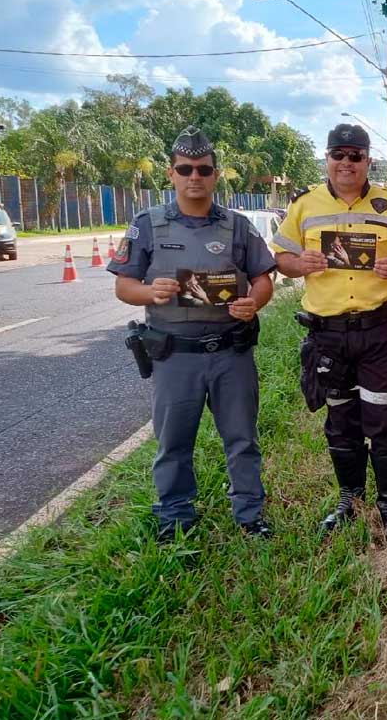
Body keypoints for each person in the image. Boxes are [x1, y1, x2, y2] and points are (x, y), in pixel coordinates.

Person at [110, 126, 275, 543]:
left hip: (230, 353)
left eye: (203, 169)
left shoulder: (237, 227)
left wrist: (253, 302)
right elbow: (123, 286)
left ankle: (250, 514)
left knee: (242, 439)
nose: (194, 177)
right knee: (173, 443)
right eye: (185, 169)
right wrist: (150, 291)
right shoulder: (147, 225)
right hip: (174, 356)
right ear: (172, 174)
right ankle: (175, 517)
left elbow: (263, 279)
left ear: (216, 174)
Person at [272, 122, 387, 541]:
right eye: (338, 155)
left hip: (377, 332)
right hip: (327, 334)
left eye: (355, 156)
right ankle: (350, 499)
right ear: (327, 159)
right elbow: (282, 258)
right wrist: (298, 264)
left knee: (383, 418)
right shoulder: (304, 205)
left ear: (367, 161)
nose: (346, 163)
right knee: (341, 420)